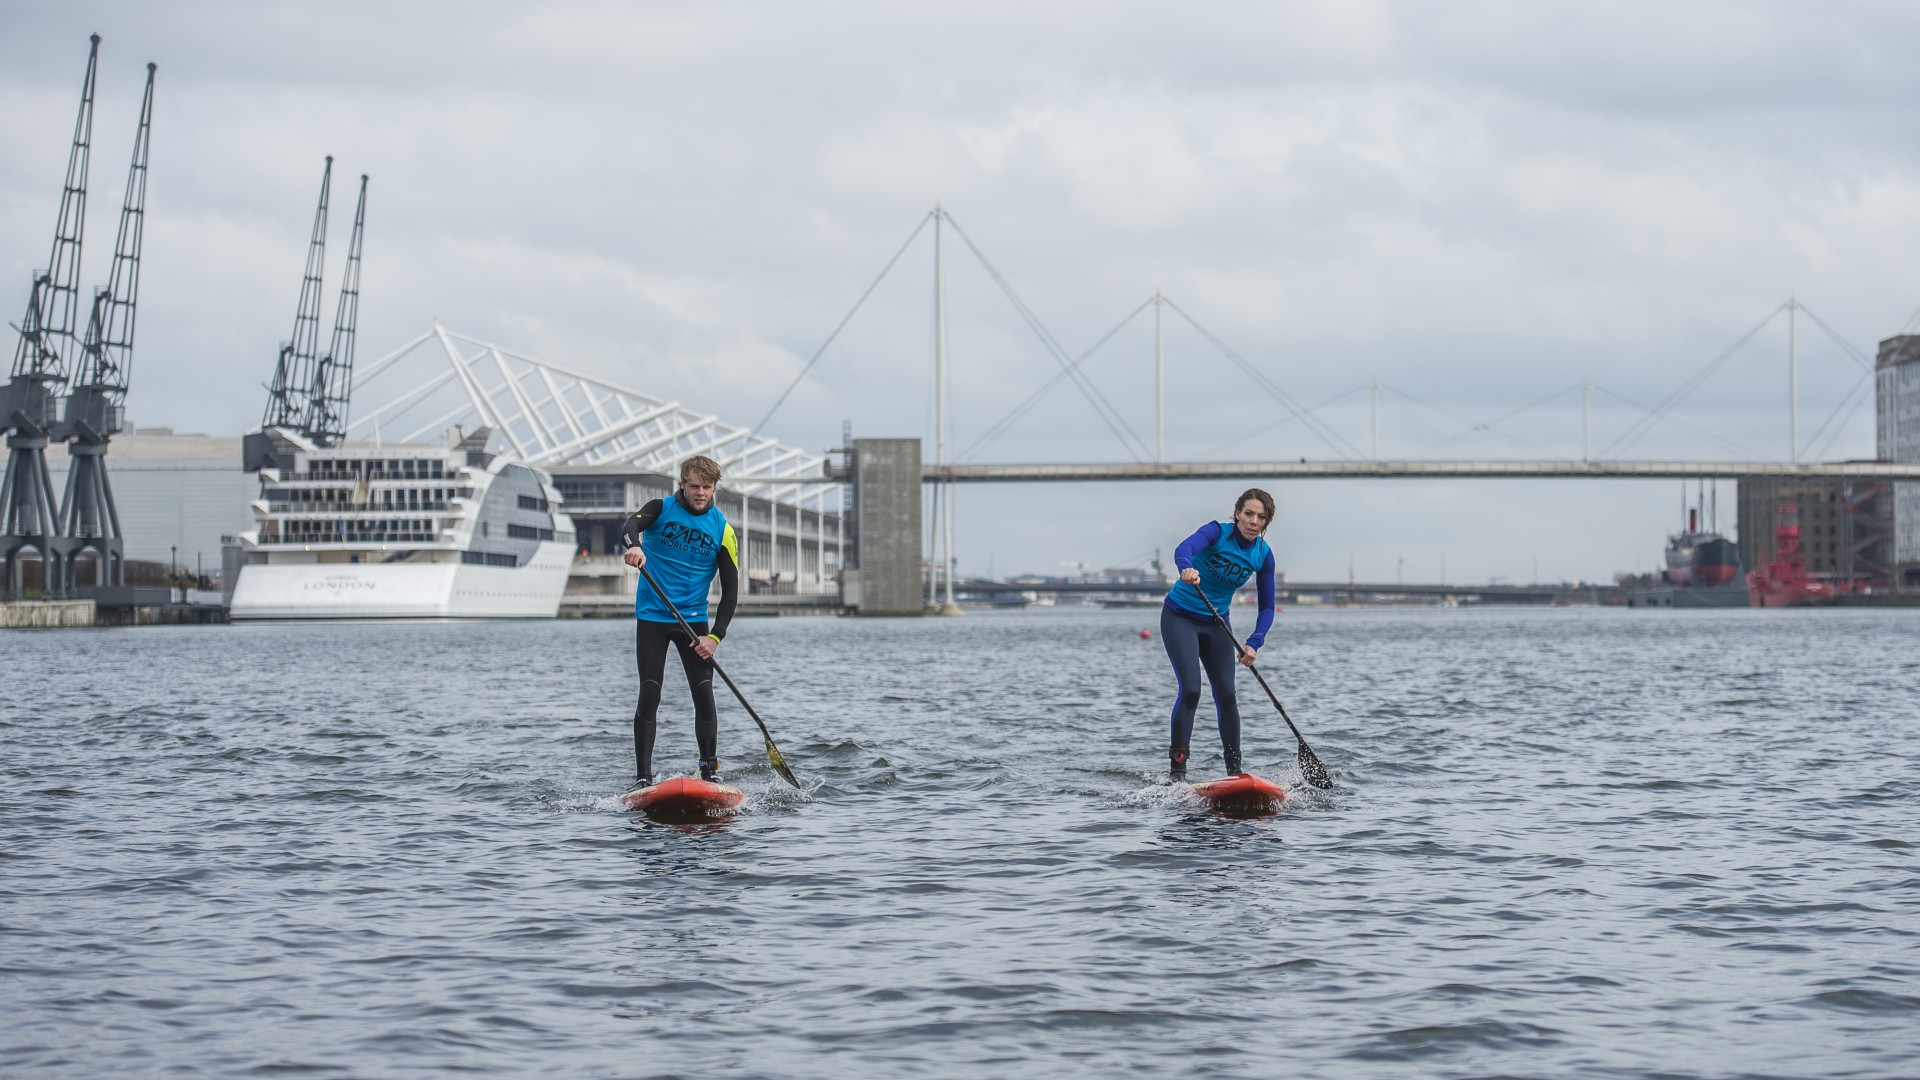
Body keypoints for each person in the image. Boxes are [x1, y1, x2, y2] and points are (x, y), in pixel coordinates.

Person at [620, 455, 739, 788]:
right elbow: (629, 526)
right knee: (650, 692)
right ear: (682, 485)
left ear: (714, 488)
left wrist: (715, 637)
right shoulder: (661, 508)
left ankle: (709, 771)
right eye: (693, 486)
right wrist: (635, 547)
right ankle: (643, 778)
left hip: (695, 623)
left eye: (706, 487)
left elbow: (730, 592)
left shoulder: (723, 530)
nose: (700, 493)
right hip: (652, 618)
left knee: (704, 695)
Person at [1161, 488, 1277, 781]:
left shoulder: (1263, 556)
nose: (1253, 521)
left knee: (1227, 696)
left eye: (1260, 517)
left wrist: (1254, 643)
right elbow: (1183, 549)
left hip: (1216, 624)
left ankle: (1234, 772)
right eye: (1248, 513)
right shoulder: (1217, 532)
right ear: (1237, 513)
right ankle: (1178, 773)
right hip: (1180, 618)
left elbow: (1268, 607)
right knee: (1190, 690)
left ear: (1266, 523)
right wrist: (1186, 568)